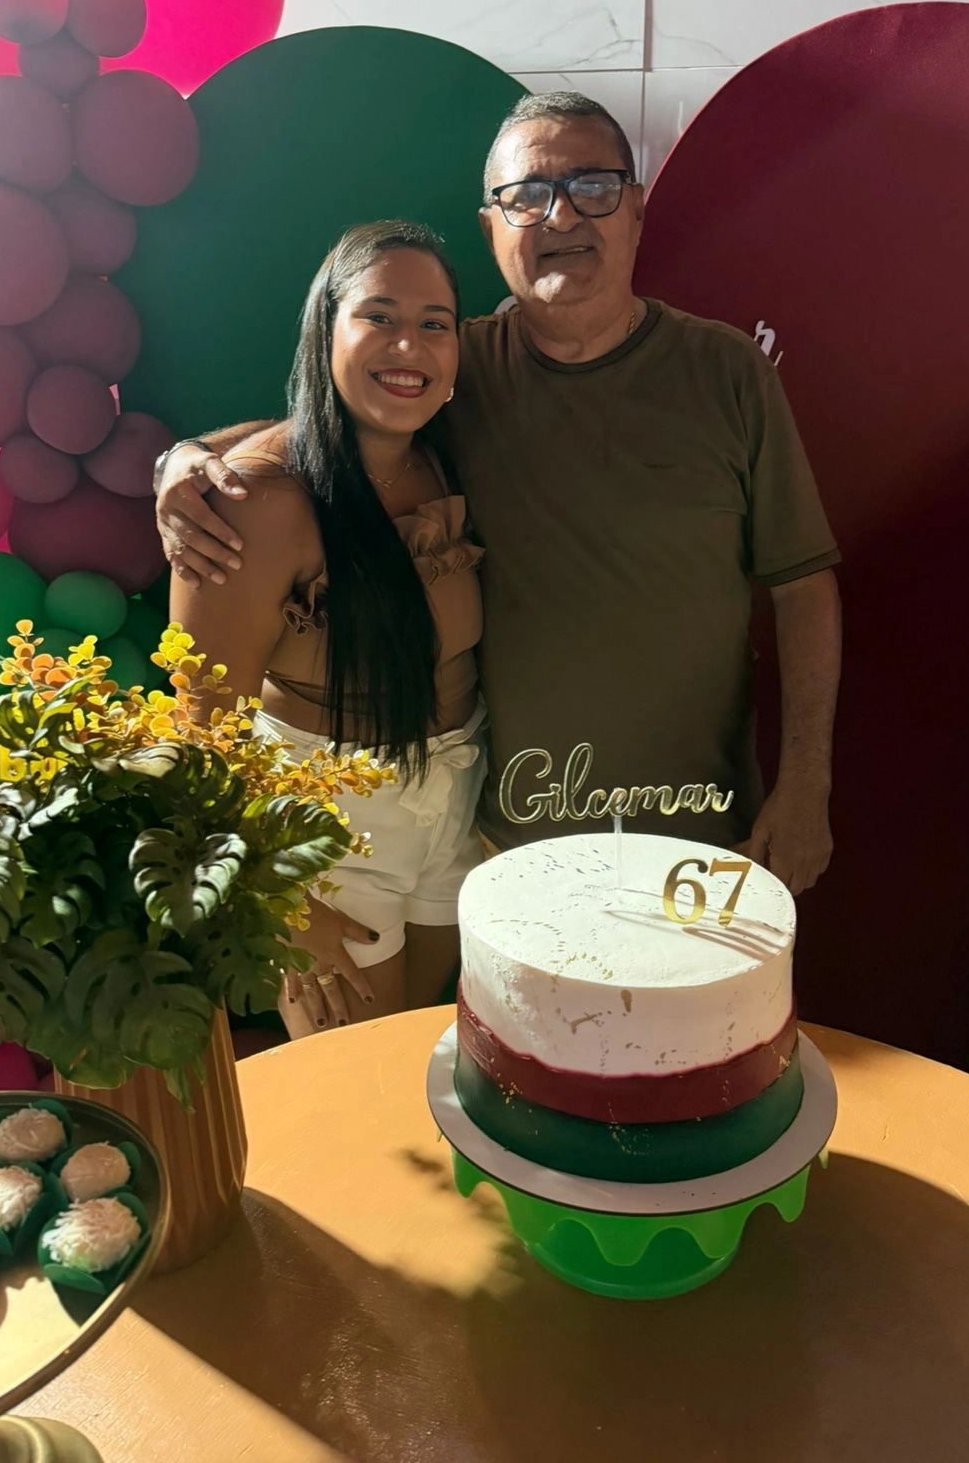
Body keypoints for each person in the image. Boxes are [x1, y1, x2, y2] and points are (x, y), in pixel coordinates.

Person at [157, 92, 842, 999]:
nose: (560, 217)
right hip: (507, 837)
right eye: (528, 195)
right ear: (492, 231)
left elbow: (803, 587)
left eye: (592, 187)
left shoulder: (727, 373)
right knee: (484, 1061)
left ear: (637, 211)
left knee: (693, 1061)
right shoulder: (453, 367)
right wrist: (188, 458)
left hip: (702, 830)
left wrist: (806, 785)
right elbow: (326, 427)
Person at [169, 219, 486, 1035]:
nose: (408, 346)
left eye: (434, 323)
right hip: (328, 828)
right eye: (378, 316)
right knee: (355, 1079)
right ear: (325, 329)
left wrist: (182, 451)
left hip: (458, 800)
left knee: (422, 1049)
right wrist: (280, 894)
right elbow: (201, 739)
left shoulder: (447, 455)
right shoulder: (250, 505)